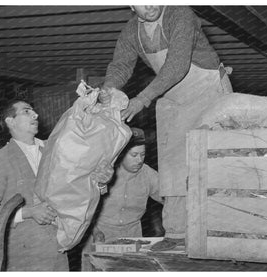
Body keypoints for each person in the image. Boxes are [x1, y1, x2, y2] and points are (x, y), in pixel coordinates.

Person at [99, 6, 233, 251]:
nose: (150, 5)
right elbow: (120, 66)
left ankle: (226, 229)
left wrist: (141, 99)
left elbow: (177, 64)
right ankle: (176, 232)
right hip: (174, 94)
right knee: (172, 163)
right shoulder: (131, 32)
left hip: (207, 89)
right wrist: (110, 88)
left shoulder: (180, 13)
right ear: (130, 5)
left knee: (214, 162)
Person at [0, 99, 113, 271]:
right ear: (10, 121)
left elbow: (75, 190)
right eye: (26, 111)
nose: (35, 114)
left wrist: (98, 182)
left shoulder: (55, 149)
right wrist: (28, 212)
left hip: (58, 252)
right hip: (24, 258)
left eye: (33, 110)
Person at [90, 127, 163, 243]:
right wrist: (94, 231)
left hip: (133, 236)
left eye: (142, 154)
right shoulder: (103, 173)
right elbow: (83, 208)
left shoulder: (148, 174)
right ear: (121, 154)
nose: (139, 160)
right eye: (134, 155)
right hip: (100, 235)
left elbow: (168, 198)